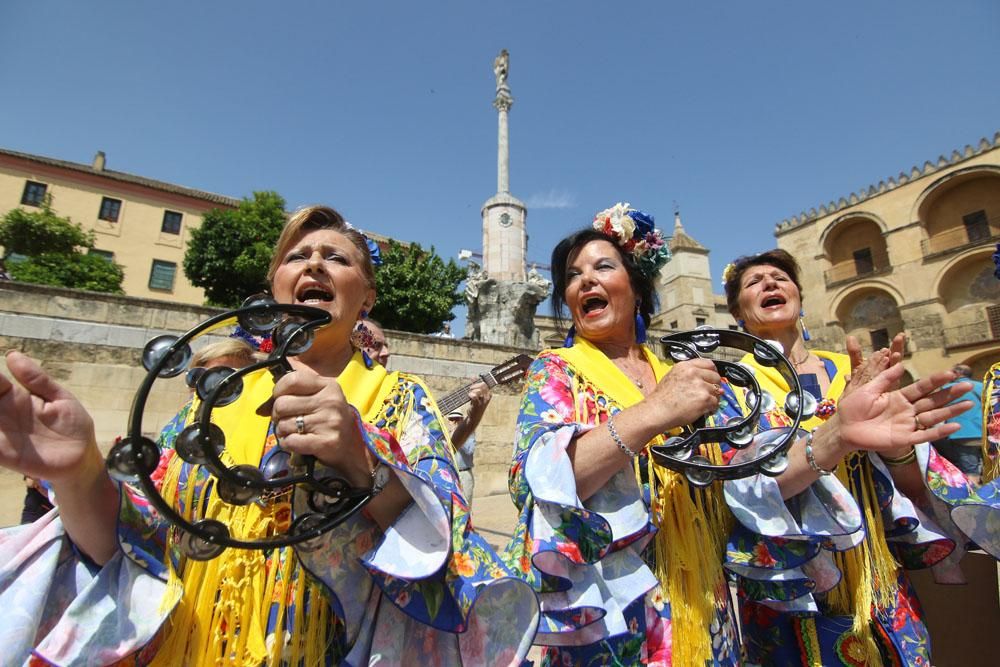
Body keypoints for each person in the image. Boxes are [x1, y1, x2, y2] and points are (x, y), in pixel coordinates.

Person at [0, 205, 538, 665]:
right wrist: (77, 472)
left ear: (367, 297)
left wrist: (359, 460)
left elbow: (448, 555)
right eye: (297, 257)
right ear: (273, 289)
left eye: (337, 258)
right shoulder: (216, 399)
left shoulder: (402, 399)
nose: (315, 265)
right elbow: (129, 548)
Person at [503, 202, 975, 666]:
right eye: (571, 275)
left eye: (603, 266)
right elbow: (537, 485)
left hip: (709, 615)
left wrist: (837, 436)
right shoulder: (558, 371)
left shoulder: (693, 375)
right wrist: (655, 412)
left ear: (639, 288)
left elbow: (752, 481)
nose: (585, 279)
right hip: (616, 617)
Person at [722, 249, 1000, 666]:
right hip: (791, 587)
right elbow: (741, 492)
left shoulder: (855, 373)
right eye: (753, 282)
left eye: (779, 276)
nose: (769, 283)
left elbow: (912, 489)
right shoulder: (729, 389)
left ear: (799, 295)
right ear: (738, 313)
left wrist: (900, 450)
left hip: (878, 576)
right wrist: (835, 437)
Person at [933, 364, 984, 481]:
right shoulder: (982, 386)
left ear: (957, 374)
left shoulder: (948, 389)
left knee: (970, 471)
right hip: (987, 434)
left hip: (962, 435)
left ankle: (974, 497)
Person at [445, 381, 492, 500]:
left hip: (464, 473)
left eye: (457, 419)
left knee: (465, 507)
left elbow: (470, 450)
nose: (454, 421)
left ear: (461, 419)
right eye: (452, 419)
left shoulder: (469, 432)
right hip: (449, 473)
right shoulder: (444, 432)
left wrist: (460, 434)